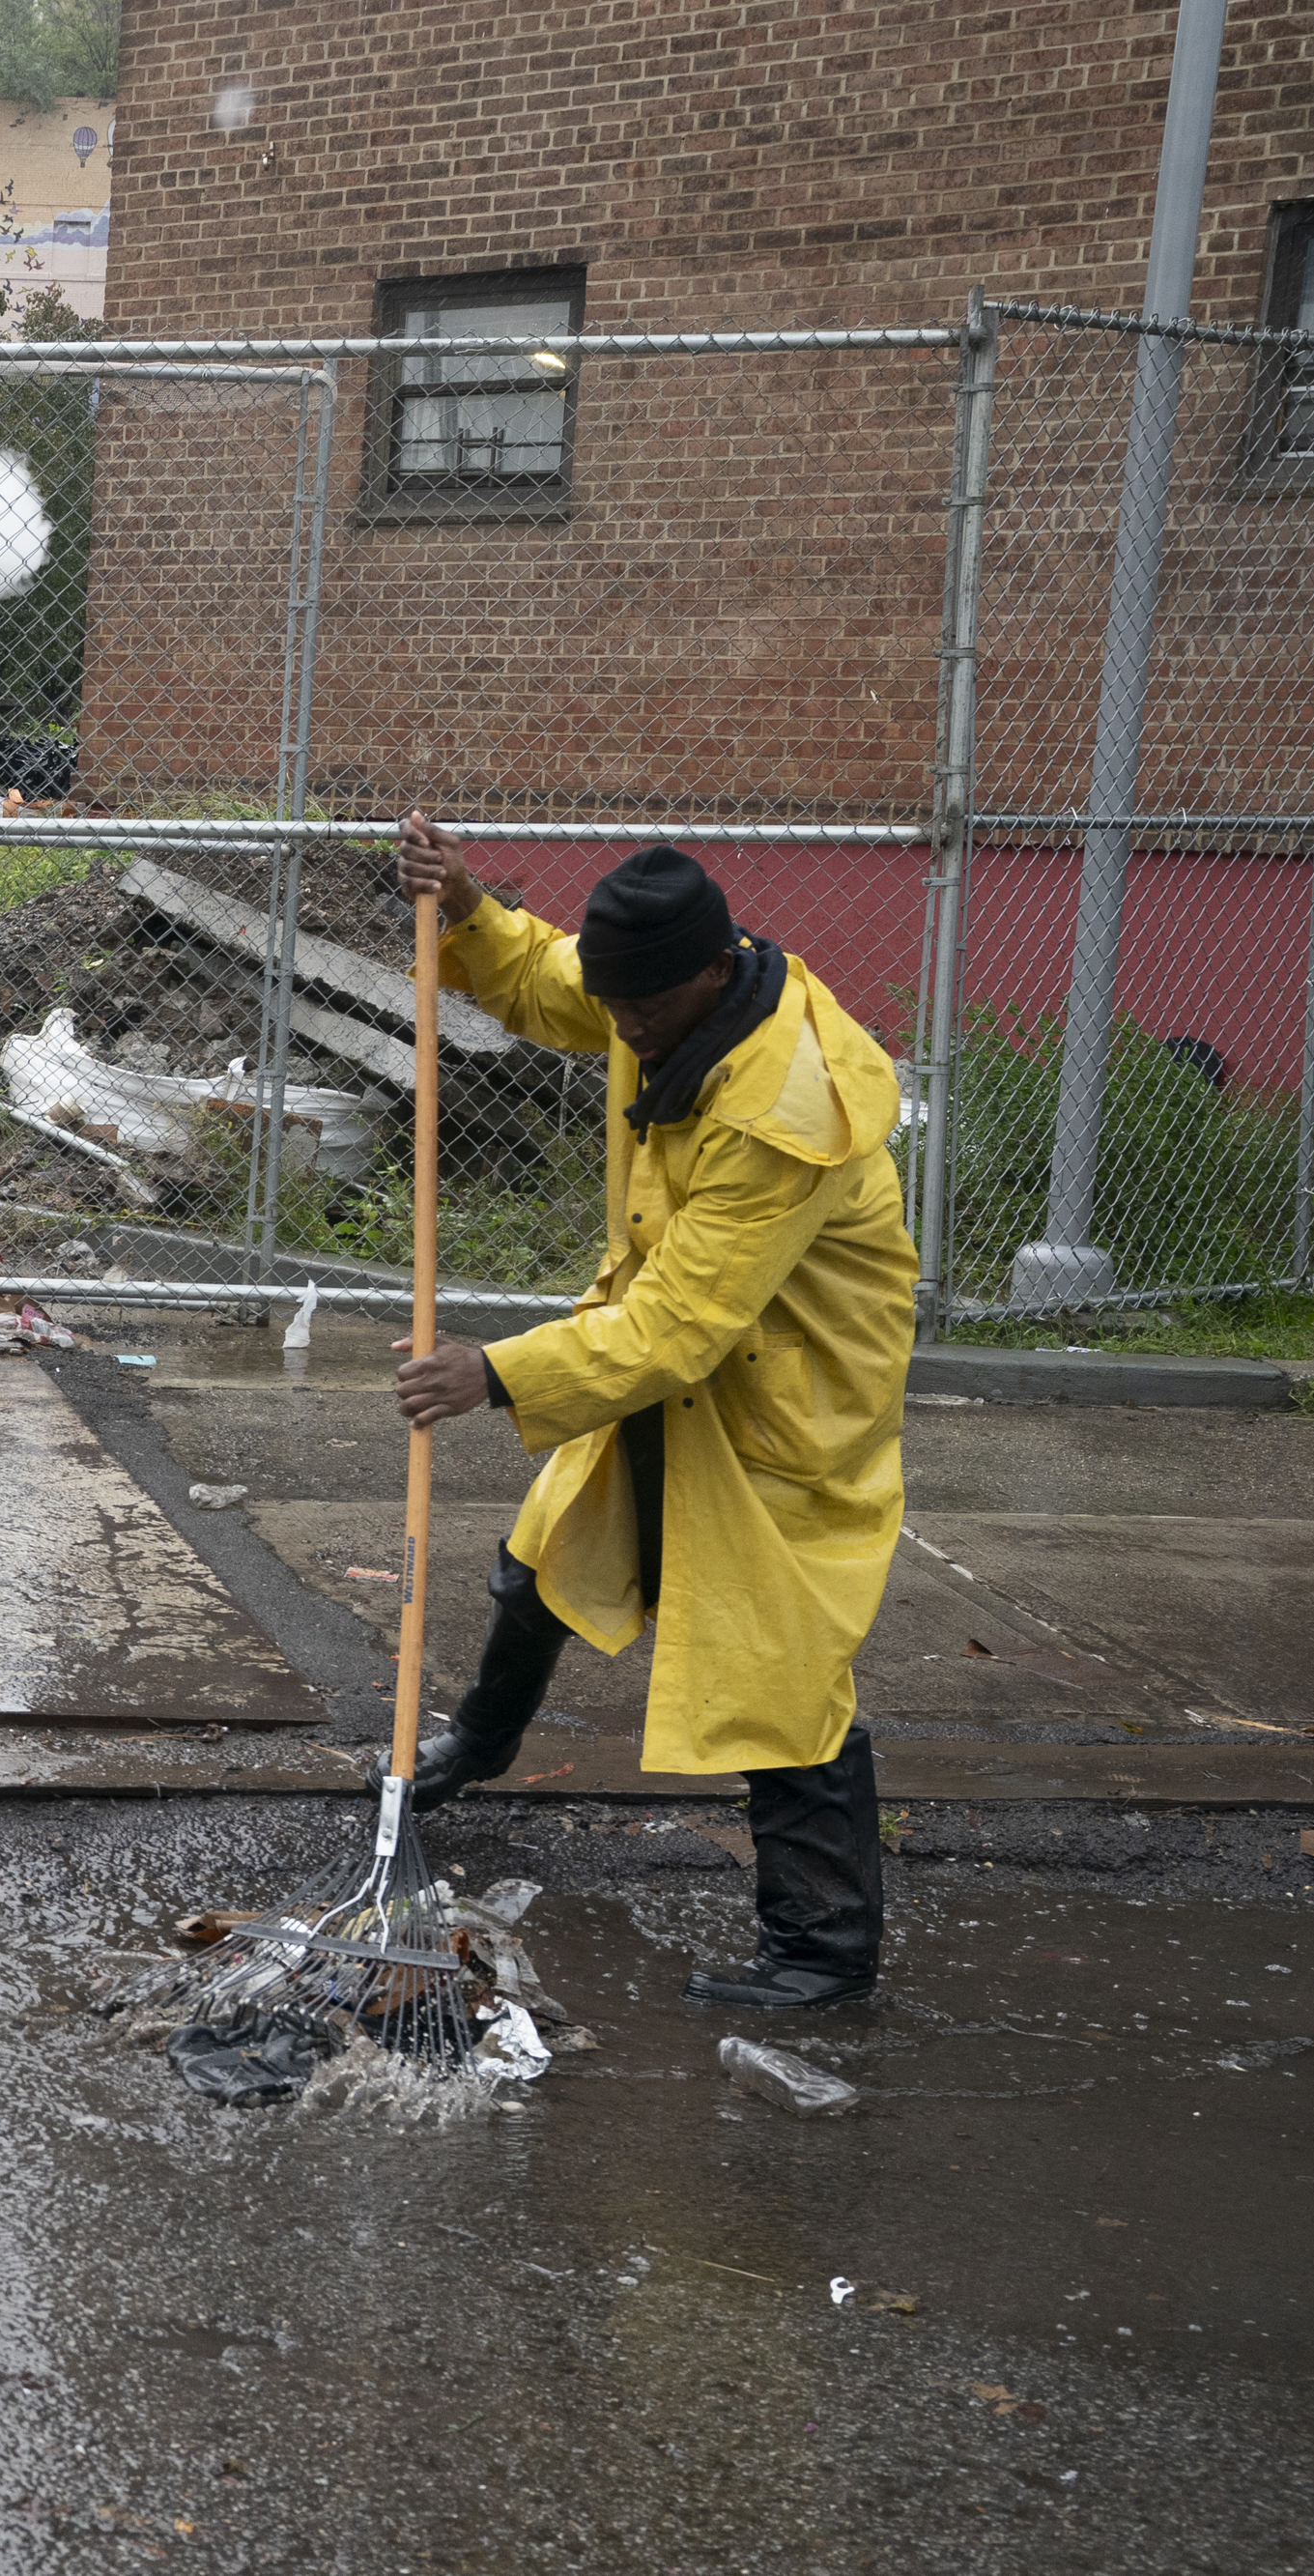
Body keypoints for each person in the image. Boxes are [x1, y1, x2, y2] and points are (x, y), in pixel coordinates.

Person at [386, 816, 916, 2009]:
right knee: (544, 1560)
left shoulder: (785, 1104)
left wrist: (499, 1372)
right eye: (613, 1009)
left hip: (782, 1393)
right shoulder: (655, 984)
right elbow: (540, 977)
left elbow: (685, 1324)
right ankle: (478, 1744)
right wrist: (467, 906)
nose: (620, 1032)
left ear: (713, 971)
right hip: (665, 1358)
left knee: (776, 1668)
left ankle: (822, 1954)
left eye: (639, 1014)